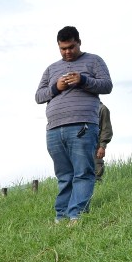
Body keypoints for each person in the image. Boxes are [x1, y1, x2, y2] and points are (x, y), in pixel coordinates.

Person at [35, 25, 113, 224]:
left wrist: (83, 79)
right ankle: (61, 216)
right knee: (64, 175)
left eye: (71, 47)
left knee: (83, 172)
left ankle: (76, 215)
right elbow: (38, 96)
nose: (67, 52)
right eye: (63, 48)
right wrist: (56, 87)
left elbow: (107, 85)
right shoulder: (51, 69)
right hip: (54, 128)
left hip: (82, 125)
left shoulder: (94, 61)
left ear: (79, 42)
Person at [96, 103, 112, 182]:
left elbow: (106, 129)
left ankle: (99, 193)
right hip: (81, 147)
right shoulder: (83, 108)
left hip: (96, 146)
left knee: (97, 173)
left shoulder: (102, 109)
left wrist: (102, 146)